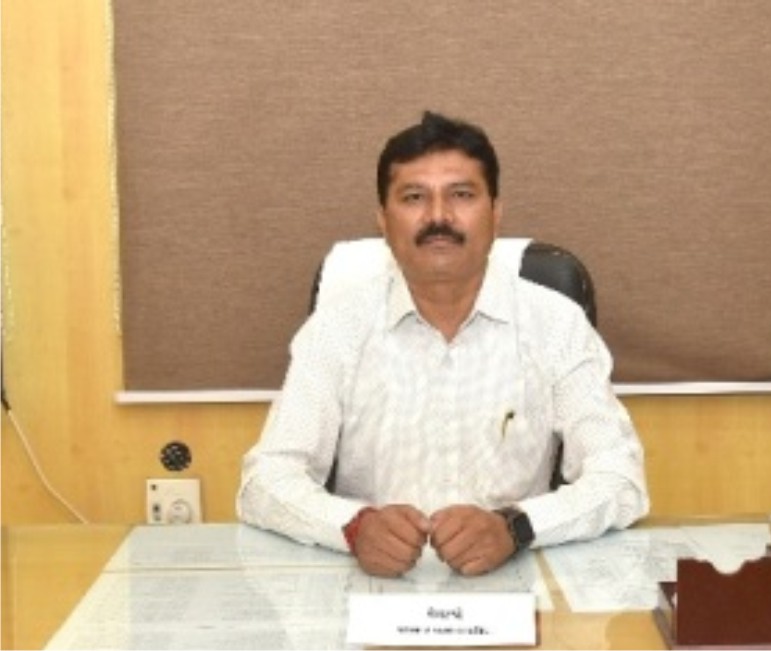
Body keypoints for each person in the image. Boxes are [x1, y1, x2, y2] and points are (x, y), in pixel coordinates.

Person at [237, 110, 649, 577]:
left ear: (495, 213)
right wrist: (352, 526)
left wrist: (516, 527)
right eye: (414, 197)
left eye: (462, 195)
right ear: (383, 220)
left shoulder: (556, 324)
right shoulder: (337, 328)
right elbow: (265, 482)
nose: (438, 217)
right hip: (375, 588)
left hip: (512, 584)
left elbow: (620, 479)